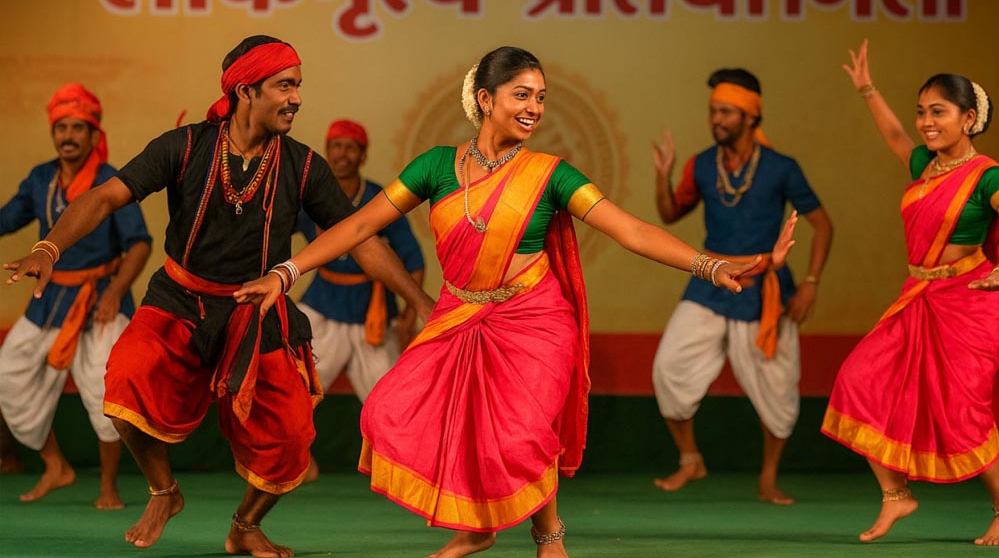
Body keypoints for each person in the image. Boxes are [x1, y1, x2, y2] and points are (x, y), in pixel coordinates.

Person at [235, 46, 798, 558]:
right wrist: (287, 272)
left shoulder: (550, 175)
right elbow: (359, 226)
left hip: (535, 318)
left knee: (523, 432)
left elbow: (630, 230)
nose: (534, 108)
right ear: (485, 100)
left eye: (541, 98)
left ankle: (549, 539)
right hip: (460, 314)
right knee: (387, 412)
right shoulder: (436, 166)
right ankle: (475, 529)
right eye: (522, 95)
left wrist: (709, 265)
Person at [3, 36, 434, 558]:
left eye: (298, 86)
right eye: (285, 86)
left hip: (258, 310)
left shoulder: (303, 165)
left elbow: (361, 238)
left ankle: (245, 525)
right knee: (123, 382)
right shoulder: (185, 146)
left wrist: (422, 303)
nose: (297, 98)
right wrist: (49, 246)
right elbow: (106, 196)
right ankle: (164, 491)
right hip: (180, 300)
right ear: (246, 90)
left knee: (292, 436)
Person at [822, 39, 999, 544]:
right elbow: (896, 134)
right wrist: (867, 89)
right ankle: (896, 494)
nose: (925, 122)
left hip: (969, 301)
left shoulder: (986, 177)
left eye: (938, 112)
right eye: (922, 111)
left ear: (968, 118)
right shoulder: (926, 165)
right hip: (918, 296)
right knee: (859, 379)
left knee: (963, 412)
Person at [650, 68, 833, 504]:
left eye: (726, 112)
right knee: (668, 367)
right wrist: (663, 174)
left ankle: (768, 477)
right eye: (713, 111)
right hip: (710, 282)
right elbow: (669, 215)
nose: (716, 119)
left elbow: (823, 225)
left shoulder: (781, 168)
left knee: (778, 388)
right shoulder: (701, 164)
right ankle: (690, 459)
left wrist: (810, 283)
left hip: (766, 289)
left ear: (751, 116)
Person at [0, 83, 151, 509]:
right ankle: (56, 466)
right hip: (49, 300)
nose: (68, 135)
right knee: (9, 374)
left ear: (93, 133)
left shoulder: (111, 181)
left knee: (106, 392)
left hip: (101, 300)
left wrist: (116, 290)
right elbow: (8, 219)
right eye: (61, 127)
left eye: (77, 127)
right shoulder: (40, 179)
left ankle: (109, 486)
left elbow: (139, 243)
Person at [296, 119, 425, 480]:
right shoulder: (312, 197)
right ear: (327, 151)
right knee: (296, 388)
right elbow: (272, 233)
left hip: (373, 316)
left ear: (363, 155)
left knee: (391, 398)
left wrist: (408, 314)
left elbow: (414, 260)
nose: (342, 154)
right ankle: (294, 459)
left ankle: (403, 469)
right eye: (336, 146)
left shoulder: (380, 199)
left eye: (350, 147)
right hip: (322, 306)